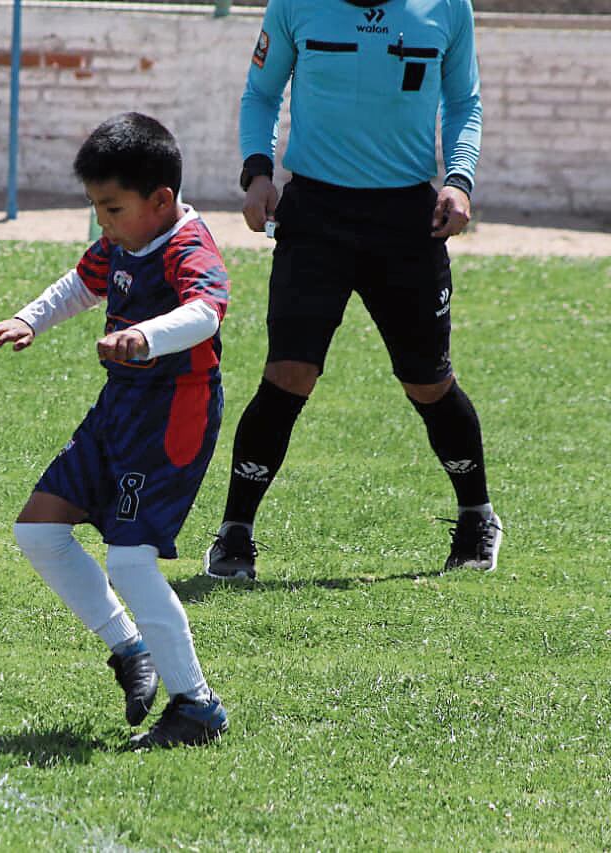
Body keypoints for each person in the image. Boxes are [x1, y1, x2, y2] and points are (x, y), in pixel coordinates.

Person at [204, 0, 501, 580]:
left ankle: (476, 516)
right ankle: (235, 532)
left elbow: (465, 101)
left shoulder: (446, 7)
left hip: (406, 219)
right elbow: (260, 93)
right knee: (288, 374)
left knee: (428, 381)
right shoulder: (294, 5)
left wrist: (459, 180)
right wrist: (257, 172)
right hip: (315, 214)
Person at [0, 113, 230, 750]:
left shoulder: (188, 244)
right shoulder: (124, 239)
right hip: (120, 404)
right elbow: (83, 282)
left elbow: (205, 313)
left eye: (110, 208)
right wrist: (30, 318)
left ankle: (196, 706)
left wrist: (146, 335)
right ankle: (130, 649)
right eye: (95, 207)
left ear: (161, 200)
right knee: (37, 529)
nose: (102, 222)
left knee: (131, 561)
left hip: (175, 412)